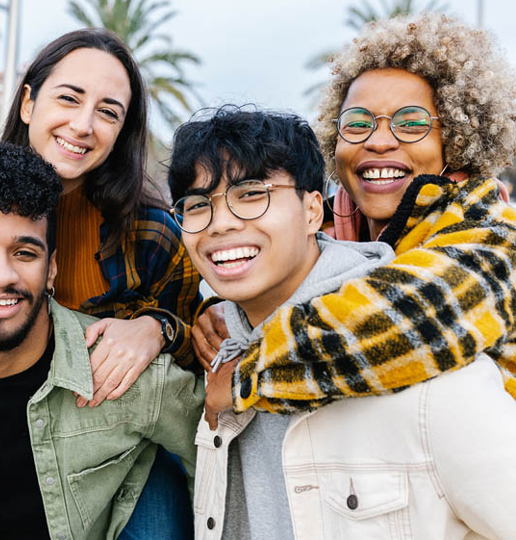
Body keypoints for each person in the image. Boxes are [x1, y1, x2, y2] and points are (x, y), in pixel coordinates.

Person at [170, 107, 516, 540]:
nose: (219, 224)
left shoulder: (421, 368)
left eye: (252, 193)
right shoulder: (216, 358)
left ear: (314, 210)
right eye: (197, 205)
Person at [0, 143, 203, 540]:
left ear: (51, 269)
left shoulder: (130, 381)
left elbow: (213, 457)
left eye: (25, 253)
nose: (2, 275)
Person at [190, 13, 516, 418]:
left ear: (457, 138)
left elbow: (407, 321)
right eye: (357, 123)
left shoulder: (492, 236)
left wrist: (246, 375)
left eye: (411, 123)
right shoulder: (331, 222)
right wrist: (225, 313)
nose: (379, 141)